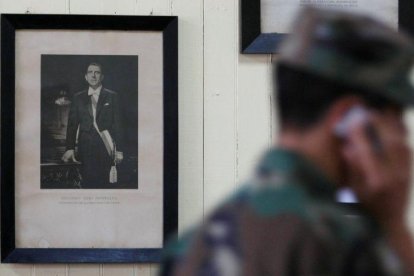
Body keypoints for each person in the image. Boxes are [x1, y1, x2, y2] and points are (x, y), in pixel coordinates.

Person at [160, 7, 414, 275]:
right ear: (349, 118)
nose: (402, 135)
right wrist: (393, 224)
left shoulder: (189, 247)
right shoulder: (346, 244)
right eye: (395, 118)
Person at [62, 62, 124, 188]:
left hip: (106, 148)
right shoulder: (78, 98)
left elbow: (118, 125)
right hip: (85, 149)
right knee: (88, 183)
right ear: (86, 77)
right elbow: (72, 125)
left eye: (97, 72)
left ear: (102, 77)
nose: (93, 75)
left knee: (106, 185)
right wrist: (70, 148)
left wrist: (120, 151)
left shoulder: (112, 96)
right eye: (90, 72)